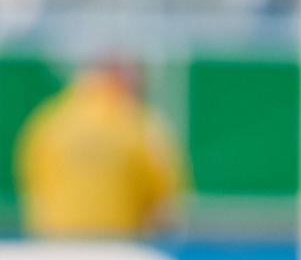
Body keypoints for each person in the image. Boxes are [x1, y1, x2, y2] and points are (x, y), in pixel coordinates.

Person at [15, 61, 185, 238]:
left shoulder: (48, 122)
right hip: (119, 245)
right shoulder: (138, 125)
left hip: (58, 245)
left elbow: (32, 187)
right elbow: (163, 201)